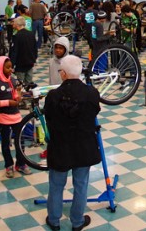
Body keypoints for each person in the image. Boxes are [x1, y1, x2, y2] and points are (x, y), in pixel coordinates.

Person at [44, 55, 101, 231]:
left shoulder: (53, 96)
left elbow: (49, 119)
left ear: (63, 74)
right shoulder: (92, 93)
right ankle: (77, 222)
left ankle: (54, 220)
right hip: (84, 146)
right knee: (81, 184)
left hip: (60, 147)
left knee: (56, 185)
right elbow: (93, 114)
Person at [0, 56, 31, 178]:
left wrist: (19, 95)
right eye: (7, 67)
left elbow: (16, 98)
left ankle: (20, 164)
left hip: (15, 116)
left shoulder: (13, 80)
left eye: (11, 67)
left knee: (20, 140)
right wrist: (6, 102)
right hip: (2, 117)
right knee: (6, 142)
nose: (10, 70)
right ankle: (9, 165)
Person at [9, 16, 37, 85]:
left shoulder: (16, 36)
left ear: (17, 24)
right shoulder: (31, 34)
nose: (12, 24)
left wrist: (11, 65)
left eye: (14, 23)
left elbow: (14, 52)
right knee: (29, 84)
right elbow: (35, 48)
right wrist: (34, 59)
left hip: (20, 64)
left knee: (20, 85)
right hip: (30, 62)